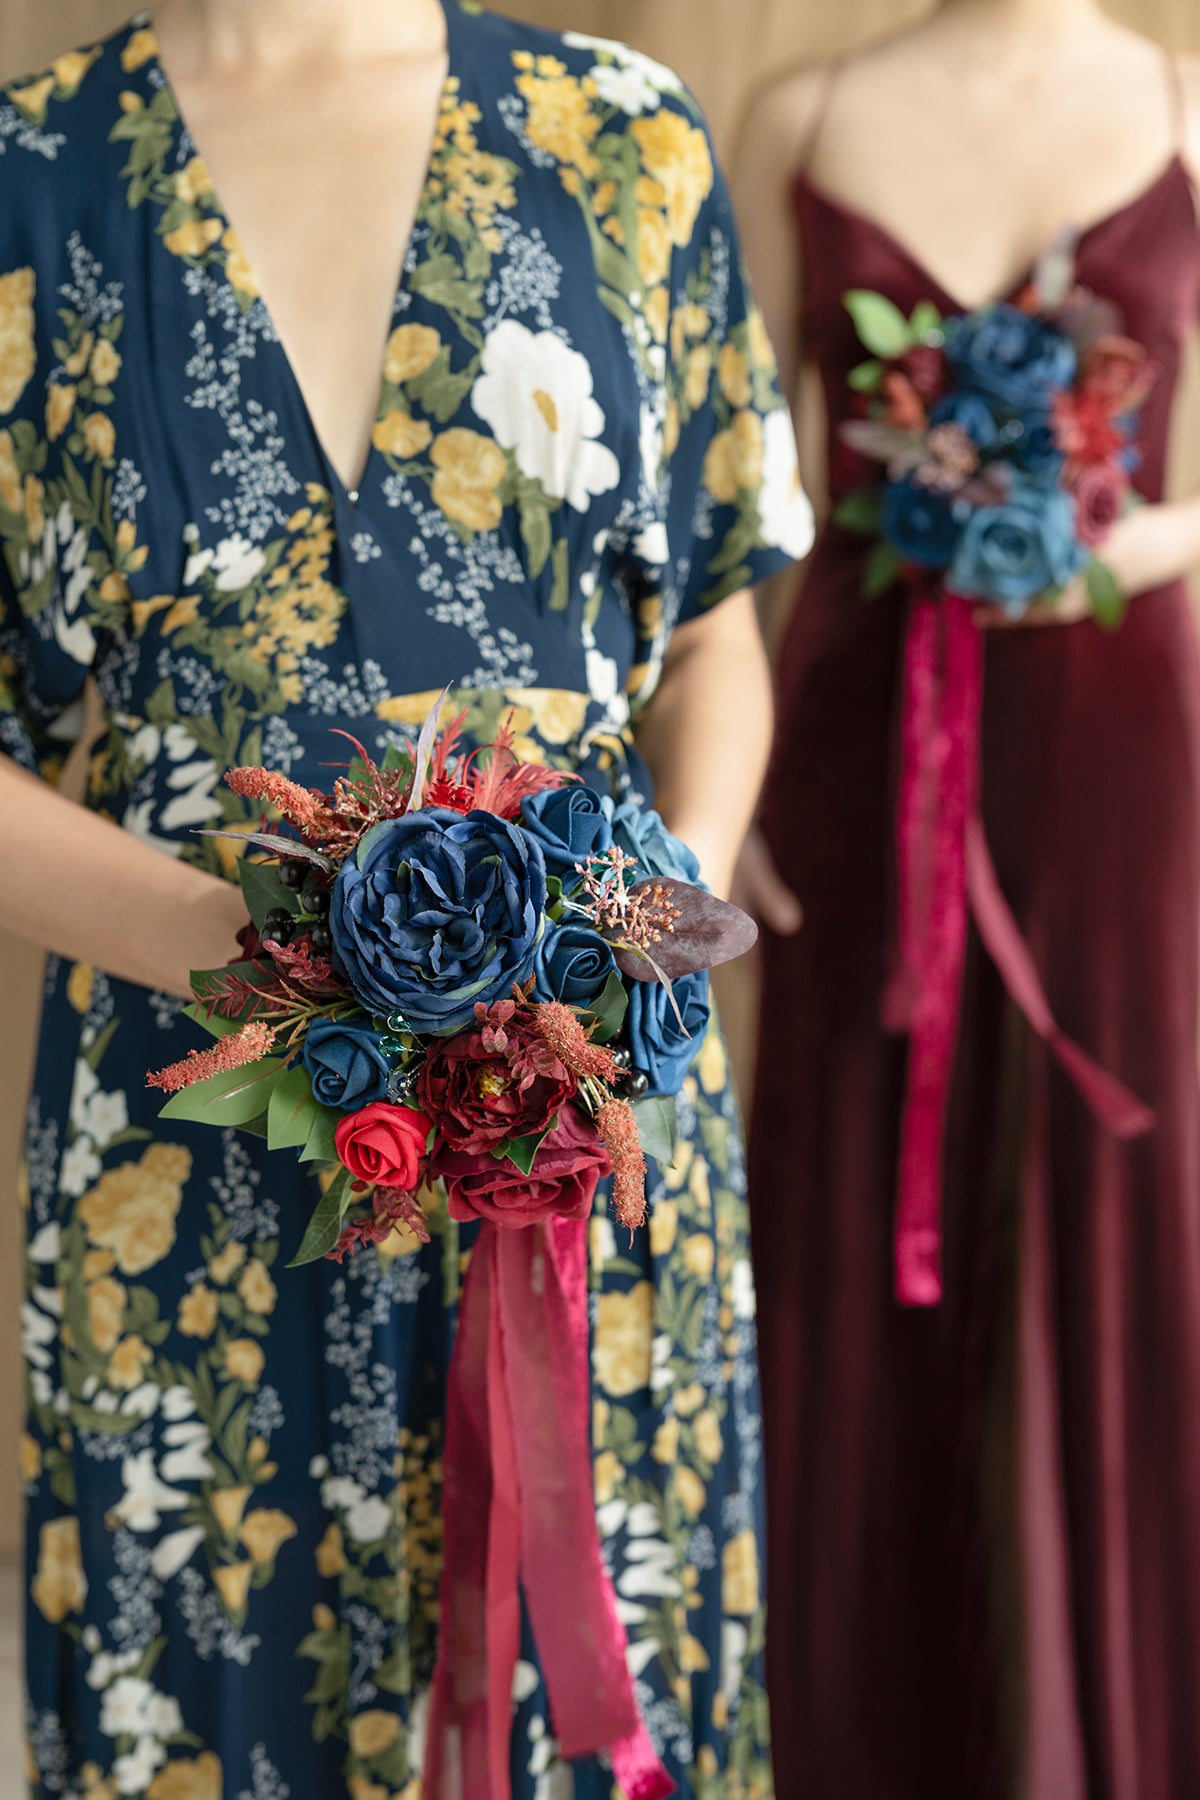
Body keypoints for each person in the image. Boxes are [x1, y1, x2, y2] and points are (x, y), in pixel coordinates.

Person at [0, 1, 813, 1790]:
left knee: (595, 1689)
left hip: (582, 1129)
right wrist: (309, 977)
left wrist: (626, 955)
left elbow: (714, 649)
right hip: (189, 1144)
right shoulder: (29, 179)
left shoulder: (627, 137)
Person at [733, 0, 1200, 1794]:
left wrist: (1112, 535)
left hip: (1115, 737)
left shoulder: (1181, 107)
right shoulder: (803, 113)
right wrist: (737, 752)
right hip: (854, 734)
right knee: (853, 1179)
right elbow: (740, 489)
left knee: (1112, 1182)